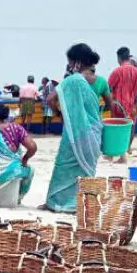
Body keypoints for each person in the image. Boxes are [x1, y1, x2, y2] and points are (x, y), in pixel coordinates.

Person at [44, 43, 104, 213]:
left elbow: (50, 99)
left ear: (76, 61)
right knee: (83, 171)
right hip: (93, 134)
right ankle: (79, 203)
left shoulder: (72, 80)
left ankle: (56, 201)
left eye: (69, 61)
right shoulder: (90, 81)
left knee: (64, 167)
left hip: (75, 134)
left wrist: (60, 115)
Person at [0, 103, 37, 204]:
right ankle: (18, 197)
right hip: (13, 172)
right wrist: (25, 159)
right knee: (30, 170)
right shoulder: (16, 128)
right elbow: (32, 147)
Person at [108, 47, 137, 162]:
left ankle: (116, 155)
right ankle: (123, 152)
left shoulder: (117, 71)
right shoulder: (136, 72)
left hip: (118, 104)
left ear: (119, 58)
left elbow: (108, 88)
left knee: (116, 129)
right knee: (128, 128)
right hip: (131, 105)